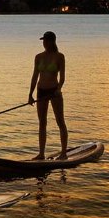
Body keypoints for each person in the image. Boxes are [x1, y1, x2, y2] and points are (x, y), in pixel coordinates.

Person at [28, 30, 68, 160]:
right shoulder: (38, 57)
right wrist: (30, 94)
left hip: (54, 91)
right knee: (42, 122)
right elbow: (35, 76)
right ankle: (41, 153)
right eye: (43, 41)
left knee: (60, 121)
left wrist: (59, 88)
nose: (44, 43)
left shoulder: (59, 56)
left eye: (45, 41)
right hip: (41, 91)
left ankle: (63, 153)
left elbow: (62, 78)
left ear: (52, 42)